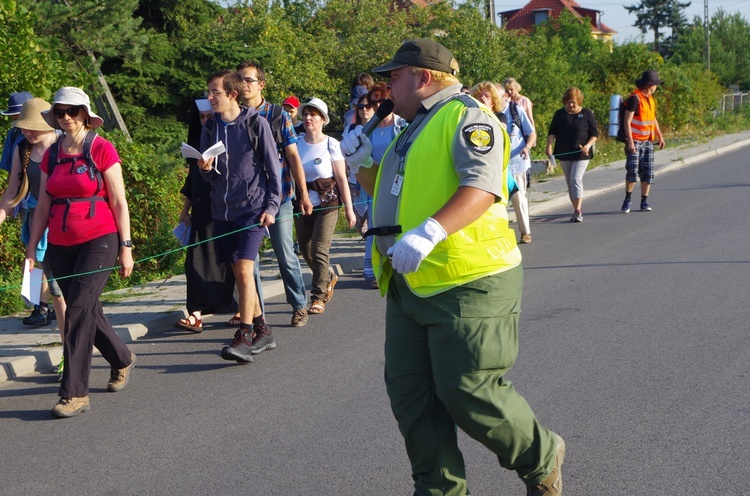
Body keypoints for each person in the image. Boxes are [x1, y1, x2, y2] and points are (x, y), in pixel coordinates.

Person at [341, 39, 564, 495]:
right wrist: (360, 164)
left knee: (468, 390)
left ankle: (540, 457)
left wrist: (430, 232)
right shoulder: (412, 127)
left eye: (393, 77)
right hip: (411, 284)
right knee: (412, 400)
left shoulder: (468, 118)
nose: (386, 88)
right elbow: (395, 188)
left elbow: (481, 186)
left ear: (423, 78)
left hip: (468, 281)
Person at [25, 87, 135, 418]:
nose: (66, 117)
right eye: (60, 112)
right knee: (87, 310)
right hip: (59, 242)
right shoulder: (52, 154)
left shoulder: (101, 148)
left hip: (99, 239)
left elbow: (118, 201)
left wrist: (126, 248)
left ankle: (75, 392)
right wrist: (32, 250)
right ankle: (122, 358)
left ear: (86, 114)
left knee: (77, 309)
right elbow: (43, 204)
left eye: (73, 111)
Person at [198, 70, 281, 363]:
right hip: (222, 212)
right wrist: (205, 170)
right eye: (208, 92)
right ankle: (263, 330)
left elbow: (274, 170)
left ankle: (243, 336)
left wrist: (271, 207)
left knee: (245, 271)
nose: (209, 98)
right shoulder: (210, 128)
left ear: (232, 94)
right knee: (238, 274)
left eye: (214, 93)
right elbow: (207, 177)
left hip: (253, 211)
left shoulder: (256, 124)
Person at [236, 60, 312, 328]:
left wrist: (303, 194)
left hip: (279, 197)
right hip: (247, 201)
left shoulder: (277, 115)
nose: (243, 85)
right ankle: (258, 317)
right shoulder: (234, 115)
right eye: (240, 80)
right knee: (248, 262)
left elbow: (292, 154)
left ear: (261, 84)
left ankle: (299, 304)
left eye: (249, 80)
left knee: (284, 252)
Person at [0, 97, 67, 380]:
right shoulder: (22, 147)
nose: (27, 132)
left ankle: (72, 351)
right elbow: (12, 189)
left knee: (66, 294)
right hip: (37, 221)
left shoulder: (65, 143)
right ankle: (68, 348)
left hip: (69, 223)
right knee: (52, 286)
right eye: (23, 127)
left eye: (33, 128)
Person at [174, 98, 237, 333]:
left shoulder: (230, 142)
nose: (205, 121)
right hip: (201, 213)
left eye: (210, 116)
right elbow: (193, 183)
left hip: (226, 212)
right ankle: (195, 314)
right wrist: (184, 210)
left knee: (232, 261)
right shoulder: (198, 146)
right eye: (201, 117)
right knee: (194, 262)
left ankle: (240, 307)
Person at [295, 98, 355, 314]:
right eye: (306, 114)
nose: (308, 117)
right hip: (302, 203)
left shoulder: (332, 144)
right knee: (306, 249)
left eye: (314, 114)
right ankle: (328, 277)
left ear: (323, 119)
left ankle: (318, 297)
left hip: (328, 203)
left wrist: (348, 208)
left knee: (320, 249)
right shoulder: (296, 143)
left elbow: (341, 178)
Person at [546, 87, 599, 222]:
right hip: (564, 152)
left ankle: (578, 210)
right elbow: (552, 132)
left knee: (576, 179)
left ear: (579, 101)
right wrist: (549, 146)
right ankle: (575, 209)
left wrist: (587, 145)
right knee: (570, 182)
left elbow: (594, 134)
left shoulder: (587, 114)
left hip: (581, 153)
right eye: (568, 102)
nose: (570, 105)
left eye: (573, 102)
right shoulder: (560, 114)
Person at [621, 70, 665, 213]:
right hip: (635, 141)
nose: (656, 87)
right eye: (656, 84)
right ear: (649, 85)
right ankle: (627, 199)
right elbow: (627, 121)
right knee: (632, 171)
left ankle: (644, 202)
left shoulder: (650, 99)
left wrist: (660, 136)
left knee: (648, 173)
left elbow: (653, 119)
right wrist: (630, 142)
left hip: (648, 141)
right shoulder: (635, 98)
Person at [499, 84, 536, 244]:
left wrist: (527, 147)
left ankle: (525, 232)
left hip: (517, 163)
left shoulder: (515, 111)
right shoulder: (486, 112)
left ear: (505, 97)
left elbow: (532, 133)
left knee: (518, 198)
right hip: (497, 165)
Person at [1, 91, 33, 173]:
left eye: (18, 118)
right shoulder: (13, 134)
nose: (16, 123)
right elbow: (10, 171)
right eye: (14, 119)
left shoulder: (53, 134)